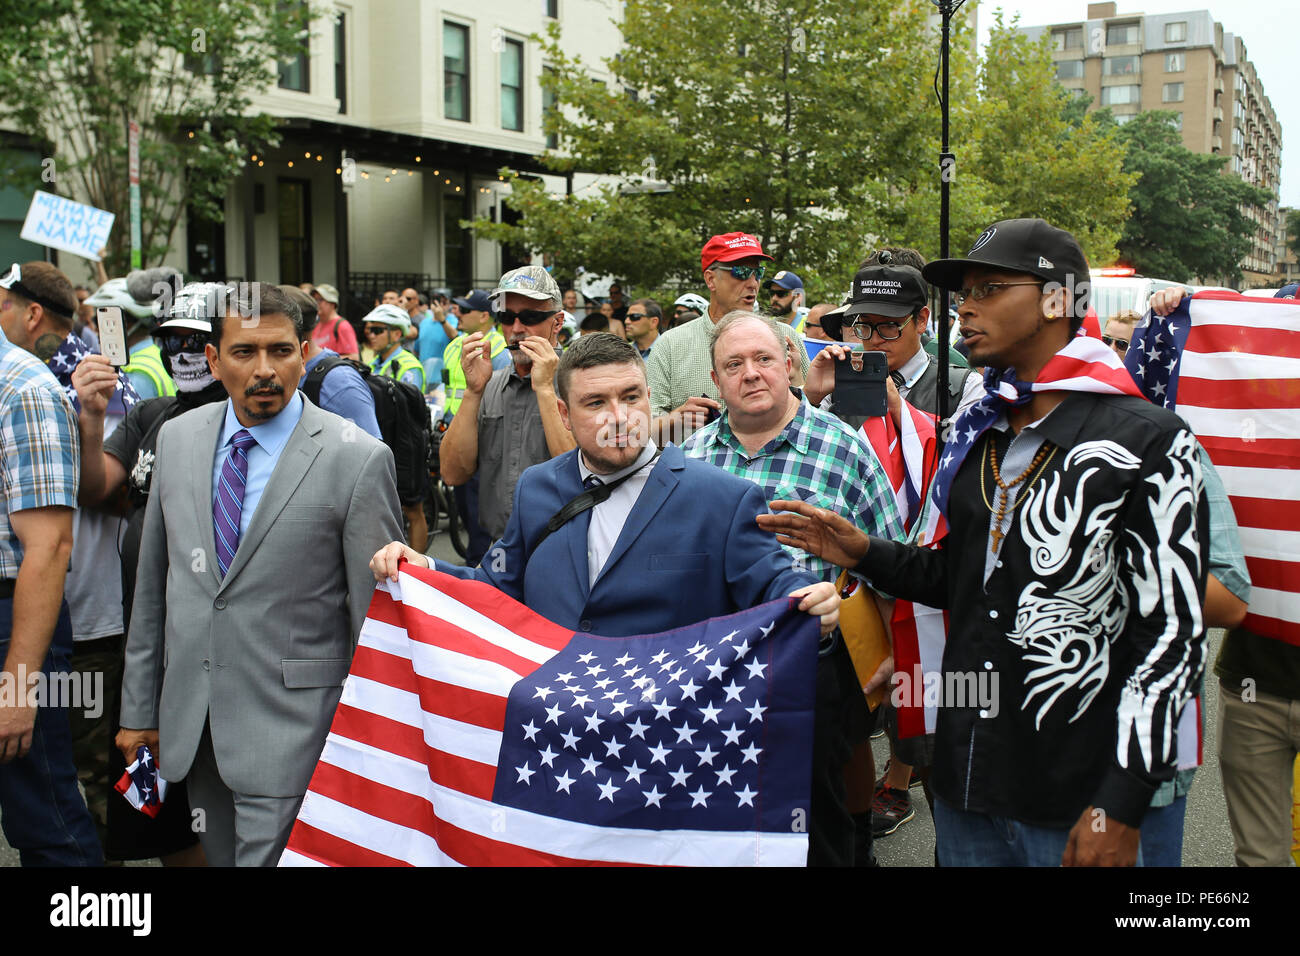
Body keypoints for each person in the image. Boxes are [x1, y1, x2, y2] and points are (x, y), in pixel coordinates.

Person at [758, 218, 1209, 867]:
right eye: (964, 291)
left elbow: (1172, 636)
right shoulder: (981, 432)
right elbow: (961, 577)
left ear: (1059, 301)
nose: (966, 307)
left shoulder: (1151, 442)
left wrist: (1123, 800)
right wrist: (862, 552)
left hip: (1078, 798)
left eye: (991, 288)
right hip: (970, 785)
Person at [370, 333, 841, 857]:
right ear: (566, 416)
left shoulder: (722, 499)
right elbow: (493, 589)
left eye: (631, 396)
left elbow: (776, 582)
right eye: (596, 402)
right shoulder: (536, 488)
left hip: (665, 758)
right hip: (557, 748)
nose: (619, 415)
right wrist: (424, 570)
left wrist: (809, 599)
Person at [117, 282, 403, 867]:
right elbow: (153, 592)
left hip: (298, 734)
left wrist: (371, 740)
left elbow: (371, 619)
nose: (265, 369)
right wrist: (139, 712)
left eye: (281, 351)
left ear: (305, 352)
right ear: (215, 360)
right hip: (192, 731)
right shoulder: (177, 440)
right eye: (245, 352)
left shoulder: (357, 458)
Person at [682, 312, 904, 865]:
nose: (751, 374)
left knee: (821, 826)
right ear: (716, 381)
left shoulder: (846, 450)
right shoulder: (686, 462)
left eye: (763, 359)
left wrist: (897, 654)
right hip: (719, 679)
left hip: (818, 672)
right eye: (734, 364)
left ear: (789, 364)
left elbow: (892, 564)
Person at [72, 281, 231, 866]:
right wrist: (92, 418)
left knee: (217, 804)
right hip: (143, 650)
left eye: (198, 340)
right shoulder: (149, 414)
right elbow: (96, 489)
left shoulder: (245, 422)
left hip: (213, 651)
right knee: (160, 813)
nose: (183, 353)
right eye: (171, 340)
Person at [0, 261, 102, 865]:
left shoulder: (25, 386)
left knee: (46, 818)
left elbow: (50, 547)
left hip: (14, 622)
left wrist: (19, 686)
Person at [438, 265, 576, 544]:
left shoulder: (581, 382)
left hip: (563, 546)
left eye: (530, 317)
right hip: (500, 548)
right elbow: (452, 473)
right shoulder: (490, 385)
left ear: (557, 323)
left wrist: (546, 390)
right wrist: (473, 392)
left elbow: (579, 474)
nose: (516, 329)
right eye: (507, 316)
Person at [646, 233, 810, 445]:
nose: (753, 283)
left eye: (757, 272)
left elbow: (812, 417)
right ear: (710, 279)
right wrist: (675, 419)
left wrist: (798, 385)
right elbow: (645, 435)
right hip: (696, 474)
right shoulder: (670, 345)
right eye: (741, 272)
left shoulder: (785, 336)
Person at [805, 257, 982, 431]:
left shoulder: (966, 388)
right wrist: (810, 397)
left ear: (921, 320)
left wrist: (900, 411)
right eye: (864, 326)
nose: (874, 339)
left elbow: (958, 453)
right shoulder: (838, 383)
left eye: (889, 326)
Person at [442, 290, 510, 566]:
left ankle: (477, 572)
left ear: (485, 316)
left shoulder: (500, 350)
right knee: (465, 509)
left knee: (480, 515)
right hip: (455, 436)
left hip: (485, 443)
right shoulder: (454, 346)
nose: (458, 313)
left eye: (465, 310)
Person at [362, 304, 428, 553]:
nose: (371, 335)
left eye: (378, 330)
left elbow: (410, 412)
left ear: (397, 334)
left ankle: (419, 571)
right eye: (369, 330)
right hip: (382, 440)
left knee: (413, 509)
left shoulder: (407, 365)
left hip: (405, 444)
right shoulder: (374, 363)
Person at [83, 271, 179, 400]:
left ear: (124, 323)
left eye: (100, 320)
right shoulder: (156, 355)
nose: (95, 327)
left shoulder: (137, 373)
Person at [310, 283, 359, 361]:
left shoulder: (342, 326)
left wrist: (325, 362)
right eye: (314, 300)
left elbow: (354, 357)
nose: (316, 303)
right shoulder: (315, 325)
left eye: (320, 300)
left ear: (333, 303)